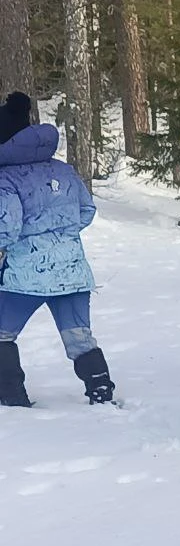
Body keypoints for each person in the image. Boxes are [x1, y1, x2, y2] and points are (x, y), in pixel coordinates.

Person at [0, 92, 114, 407]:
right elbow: (86, 210)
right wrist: (61, 237)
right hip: (72, 272)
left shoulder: (5, 177)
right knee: (79, 338)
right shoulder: (62, 170)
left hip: (25, 277)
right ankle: (101, 392)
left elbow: (5, 228)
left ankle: (12, 397)